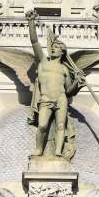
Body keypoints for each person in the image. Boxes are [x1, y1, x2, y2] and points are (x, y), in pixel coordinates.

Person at [27, 11, 82, 159]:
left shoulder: (64, 69)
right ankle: (39, 149)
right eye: (53, 46)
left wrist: (77, 82)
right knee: (42, 126)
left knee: (60, 126)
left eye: (56, 47)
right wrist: (31, 22)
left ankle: (58, 151)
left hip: (61, 98)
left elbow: (68, 90)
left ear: (62, 52)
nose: (53, 48)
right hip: (45, 99)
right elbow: (34, 41)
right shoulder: (43, 61)